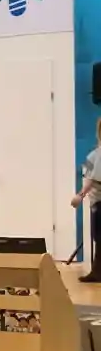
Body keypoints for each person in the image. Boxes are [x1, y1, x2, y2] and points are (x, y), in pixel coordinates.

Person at [72, 117, 101, 283]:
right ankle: (97, 271)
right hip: (97, 202)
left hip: (99, 202)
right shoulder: (94, 154)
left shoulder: (97, 154)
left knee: (100, 238)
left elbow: (92, 179)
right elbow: (89, 174)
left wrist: (80, 195)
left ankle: (97, 272)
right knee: (99, 238)